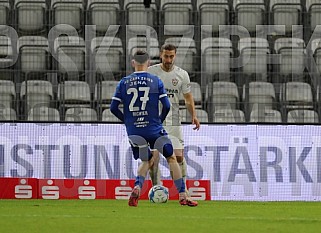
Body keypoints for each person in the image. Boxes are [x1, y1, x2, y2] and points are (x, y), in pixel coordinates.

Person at [110, 50, 198, 207]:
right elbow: (166, 105)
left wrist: (128, 121)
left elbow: (113, 108)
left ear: (133, 63)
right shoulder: (155, 80)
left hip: (135, 131)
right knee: (171, 158)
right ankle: (183, 195)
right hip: (154, 129)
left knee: (147, 159)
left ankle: (137, 187)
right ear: (148, 63)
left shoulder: (124, 82)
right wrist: (159, 120)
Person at [147, 43, 201, 198]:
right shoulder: (151, 72)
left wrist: (194, 116)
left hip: (174, 120)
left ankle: (182, 190)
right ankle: (157, 189)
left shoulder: (182, 75)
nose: (169, 59)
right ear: (161, 55)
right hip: (155, 121)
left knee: (178, 157)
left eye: (171, 56)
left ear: (175, 56)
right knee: (153, 158)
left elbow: (188, 99)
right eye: (166, 56)